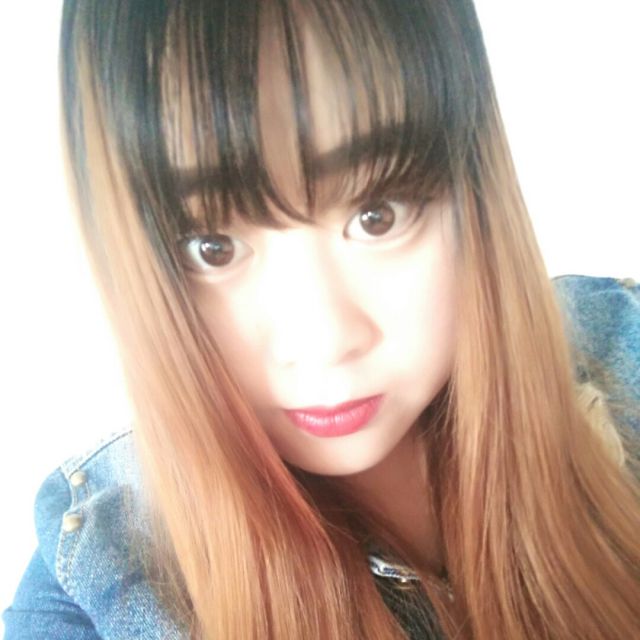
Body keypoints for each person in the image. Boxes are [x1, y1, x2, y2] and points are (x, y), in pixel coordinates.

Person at [3, 1, 640, 638]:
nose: (323, 342)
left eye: (377, 216)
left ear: (473, 189)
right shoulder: (101, 580)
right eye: (213, 248)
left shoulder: (624, 357)